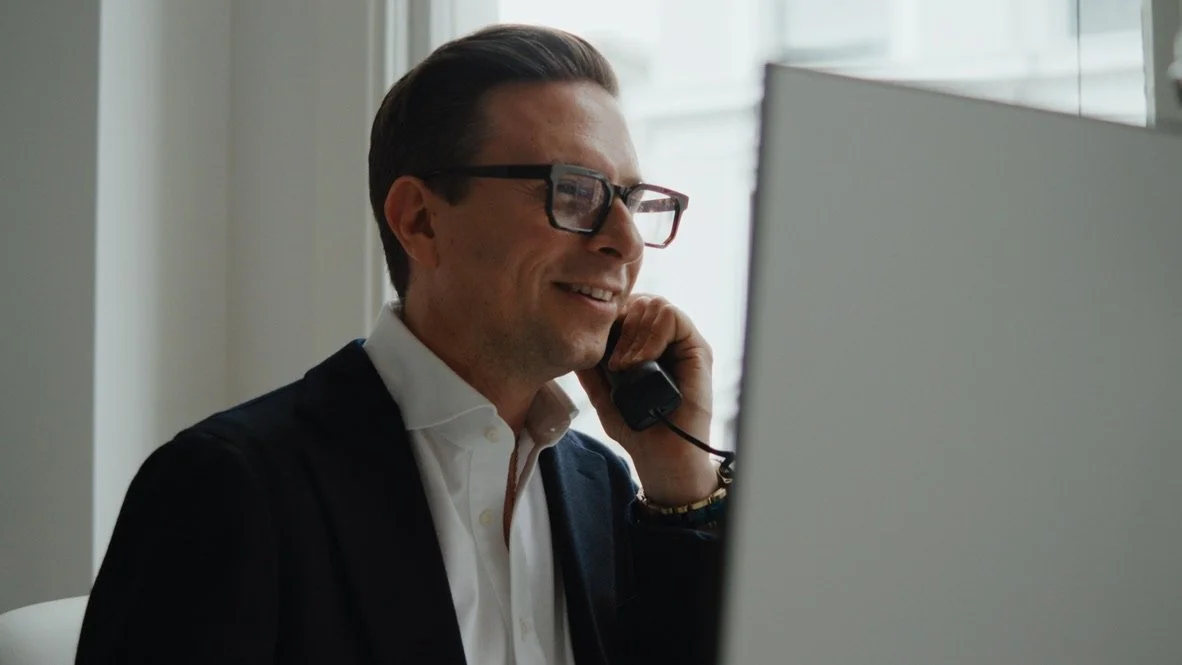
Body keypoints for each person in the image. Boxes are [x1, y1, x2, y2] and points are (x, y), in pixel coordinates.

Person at [76, 23, 728, 665]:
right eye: (577, 192)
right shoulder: (227, 489)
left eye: (632, 200)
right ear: (419, 220)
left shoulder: (605, 489)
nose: (627, 239)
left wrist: (679, 484)